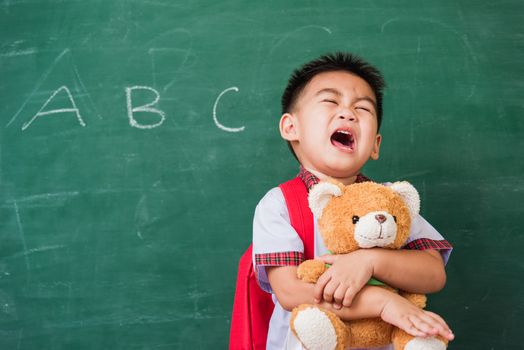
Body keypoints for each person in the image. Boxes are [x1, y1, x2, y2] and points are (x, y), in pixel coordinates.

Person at [252, 52, 455, 349]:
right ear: (291, 127)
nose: (348, 113)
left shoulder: (390, 201)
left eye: (362, 108)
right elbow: (291, 292)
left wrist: (370, 261)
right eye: (330, 102)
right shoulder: (279, 204)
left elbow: (434, 273)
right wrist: (383, 302)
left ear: (375, 145)